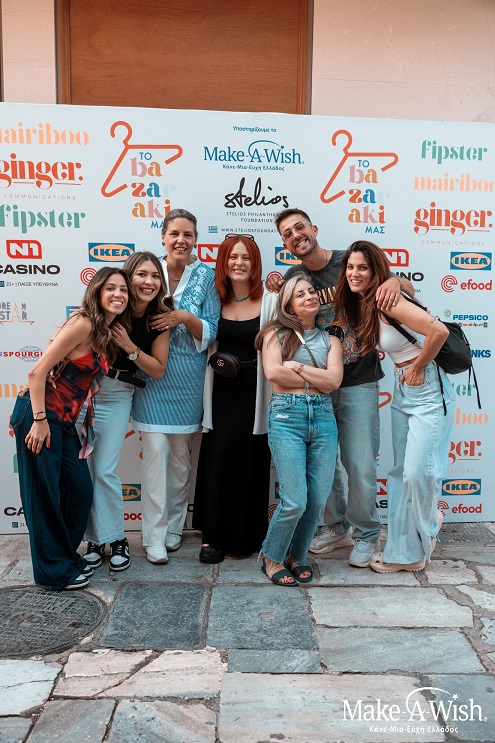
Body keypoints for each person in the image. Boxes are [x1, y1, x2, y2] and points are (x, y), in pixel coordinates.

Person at [267, 208, 414, 568]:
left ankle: (366, 533)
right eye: (288, 234)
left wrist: (396, 282)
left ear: (314, 228)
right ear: (285, 244)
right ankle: (335, 526)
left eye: (299, 227)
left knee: (360, 462)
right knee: (324, 465)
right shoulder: (295, 276)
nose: (296, 235)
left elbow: (404, 288)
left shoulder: (348, 260)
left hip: (358, 380)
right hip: (316, 386)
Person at [332, 240, 454, 572]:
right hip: (404, 388)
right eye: (350, 267)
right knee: (400, 473)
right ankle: (404, 552)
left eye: (363, 267)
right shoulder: (370, 301)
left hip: (426, 385)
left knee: (417, 472)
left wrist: (417, 368)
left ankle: (424, 533)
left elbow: (439, 331)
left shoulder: (389, 301)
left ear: (376, 271)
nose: (354, 273)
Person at [10, 268, 130, 590]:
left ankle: (64, 557)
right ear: (97, 292)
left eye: (123, 290)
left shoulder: (104, 331)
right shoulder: (84, 323)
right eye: (111, 288)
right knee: (44, 497)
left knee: (79, 491)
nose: (118, 294)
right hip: (40, 416)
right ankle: (53, 573)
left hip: (63, 422)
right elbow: (37, 373)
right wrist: (39, 421)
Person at [131, 209, 220, 564]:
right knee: (155, 457)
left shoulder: (207, 277)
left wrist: (183, 317)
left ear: (196, 239)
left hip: (189, 381)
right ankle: (153, 535)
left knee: (181, 461)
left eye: (188, 235)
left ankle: (174, 527)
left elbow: (212, 328)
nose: (181, 240)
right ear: (163, 236)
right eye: (175, 234)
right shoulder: (147, 270)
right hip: (151, 380)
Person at [81, 252, 170, 572]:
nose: (148, 282)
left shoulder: (159, 318)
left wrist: (131, 348)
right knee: (85, 470)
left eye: (155, 276)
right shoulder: (113, 305)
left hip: (118, 393)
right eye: (141, 275)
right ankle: (95, 539)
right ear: (128, 277)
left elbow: (157, 369)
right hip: (84, 390)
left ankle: (117, 538)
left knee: (104, 468)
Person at [255, 273, 343, 586]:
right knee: (295, 500)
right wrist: (316, 378)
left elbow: (334, 382)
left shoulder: (331, 340)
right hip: (286, 417)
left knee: (317, 500)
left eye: (311, 291)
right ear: (288, 305)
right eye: (300, 294)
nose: (309, 296)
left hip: (323, 418)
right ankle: (272, 556)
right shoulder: (274, 334)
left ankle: (297, 556)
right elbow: (274, 373)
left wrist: (299, 367)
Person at [193, 234, 276, 563]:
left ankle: (247, 536)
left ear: (255, 263)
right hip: (220, 391)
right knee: (218, 457)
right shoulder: (214, 299)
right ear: (223, 263)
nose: (239, 263)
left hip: (256, 394)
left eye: (246, 257)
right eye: (232, 257)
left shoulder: (270, 300)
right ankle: (212, 536)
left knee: (250, 459)